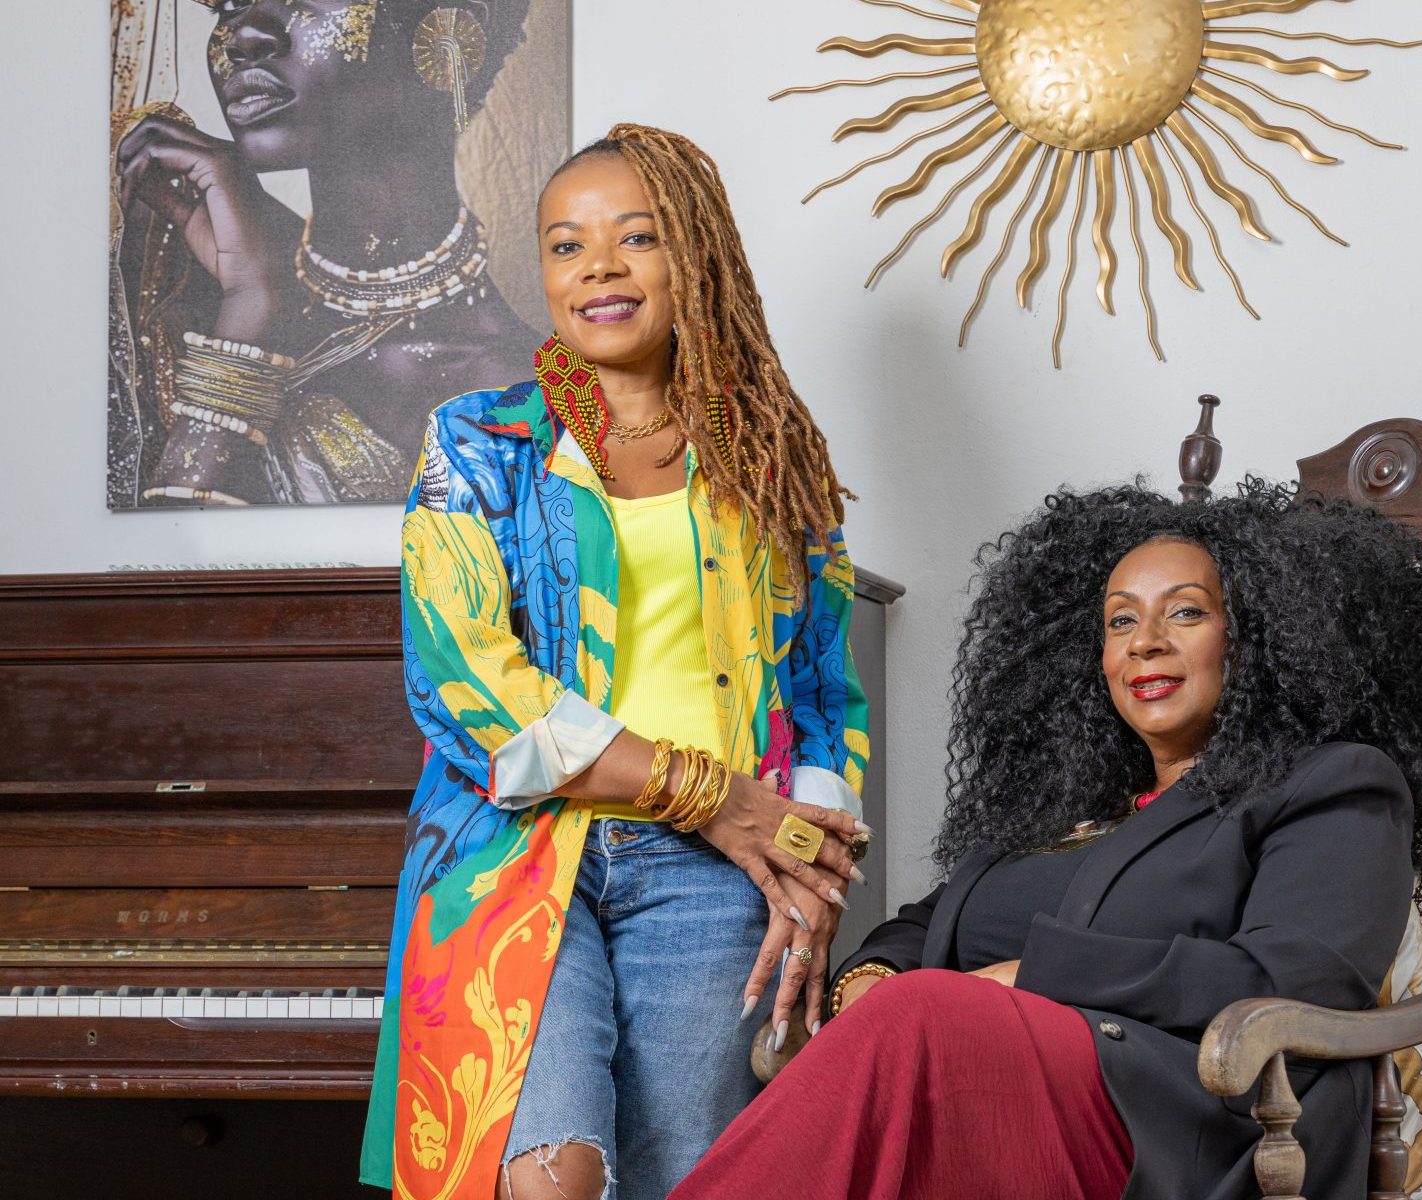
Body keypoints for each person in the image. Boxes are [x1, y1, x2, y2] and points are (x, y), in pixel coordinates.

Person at [673, 478, 1422, 1200]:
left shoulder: (1331, 781)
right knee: (900, 1040)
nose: (1144, 642)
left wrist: (1032, 974)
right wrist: (870, 976)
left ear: (1254, 635)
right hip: (996, 1092)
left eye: (1185, 612)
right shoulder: (1067, 809)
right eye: (1120, 621)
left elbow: (1299, 976)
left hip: (1186, 1122)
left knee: (916, 1028)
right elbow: (926, 924)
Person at [357, 125, 871, 1200]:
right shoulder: (477, 444)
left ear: (696, 256)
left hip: (714, 879)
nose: (598, 267)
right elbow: (465, 680)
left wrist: (810, 868)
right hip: (514, 851)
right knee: (555, 1173)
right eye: (566, 245)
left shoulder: (772, 458)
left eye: (637, 237)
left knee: (685, 1180)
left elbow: (823, 686)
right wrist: (710, 794)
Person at [112, 0, 543, 504]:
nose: (245, 36)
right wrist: (249, 296)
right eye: (229, 4)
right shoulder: (163, 264)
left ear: (452, 27)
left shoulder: (516, 398)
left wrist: (251, 305)